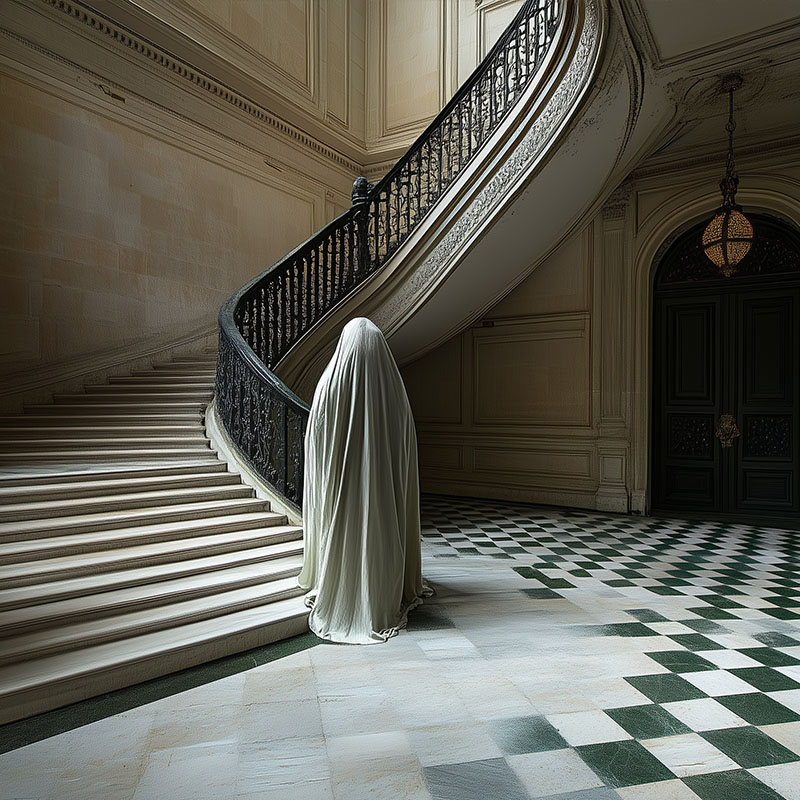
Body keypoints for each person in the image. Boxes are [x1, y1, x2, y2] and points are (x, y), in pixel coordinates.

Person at [297, 317, 431, 643]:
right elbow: (405, 450)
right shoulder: (393, 391)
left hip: (338, 497)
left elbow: (316, 444)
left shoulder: (329, 384)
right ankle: (383, 587)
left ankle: (332, 578)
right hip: (384, 497)